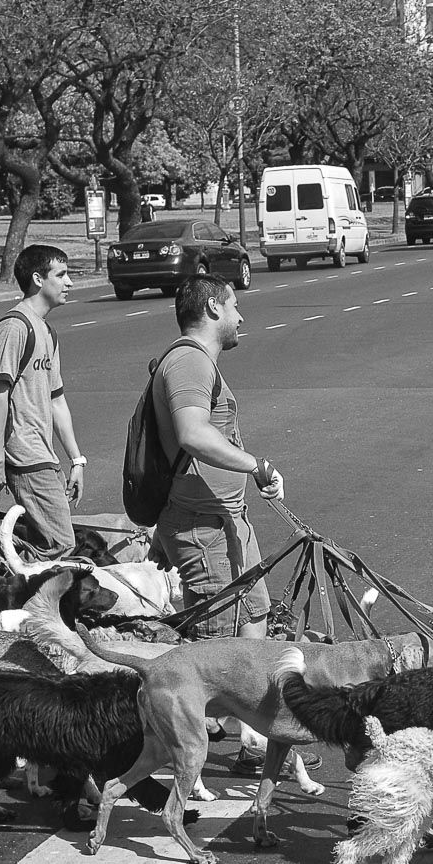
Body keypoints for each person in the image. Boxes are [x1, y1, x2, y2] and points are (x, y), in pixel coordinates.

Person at [150, 274, 286, 639]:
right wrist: (257, 466)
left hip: (222, 522)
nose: (240, 317)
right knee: (219, 655)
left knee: (253, 636)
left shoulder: (195, 361)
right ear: (213, 307)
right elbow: (192, 434)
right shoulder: (189, 361)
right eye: (234, 306)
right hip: (204, 530)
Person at [0, 244, 85, 558]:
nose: (69, 282)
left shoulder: (47, 331)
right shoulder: (14, 328)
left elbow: (56, 400)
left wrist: (76, 460)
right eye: (62, 275)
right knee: (61, 546)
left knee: (49, 547)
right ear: (38, 279)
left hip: (45, 456)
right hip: (25, 457)